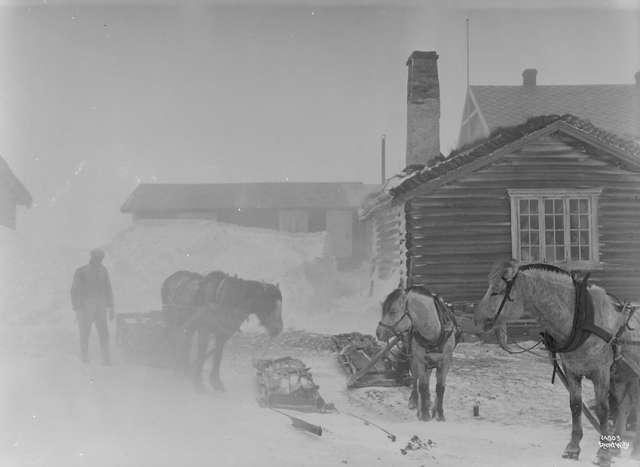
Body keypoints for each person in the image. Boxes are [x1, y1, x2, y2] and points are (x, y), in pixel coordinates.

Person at [70, 248, 114, 364]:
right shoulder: (81, 271)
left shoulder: (104, 271)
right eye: (96, 257)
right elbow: (75, 290)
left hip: (101, 306)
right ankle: (85, 358)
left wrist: (111, 307)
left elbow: (108, 288)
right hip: (86, 306)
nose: (99, 260)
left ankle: (106, 359)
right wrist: (77, 307)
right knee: (85, 333)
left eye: (101, 258)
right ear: (91, 257)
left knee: (104, 332)